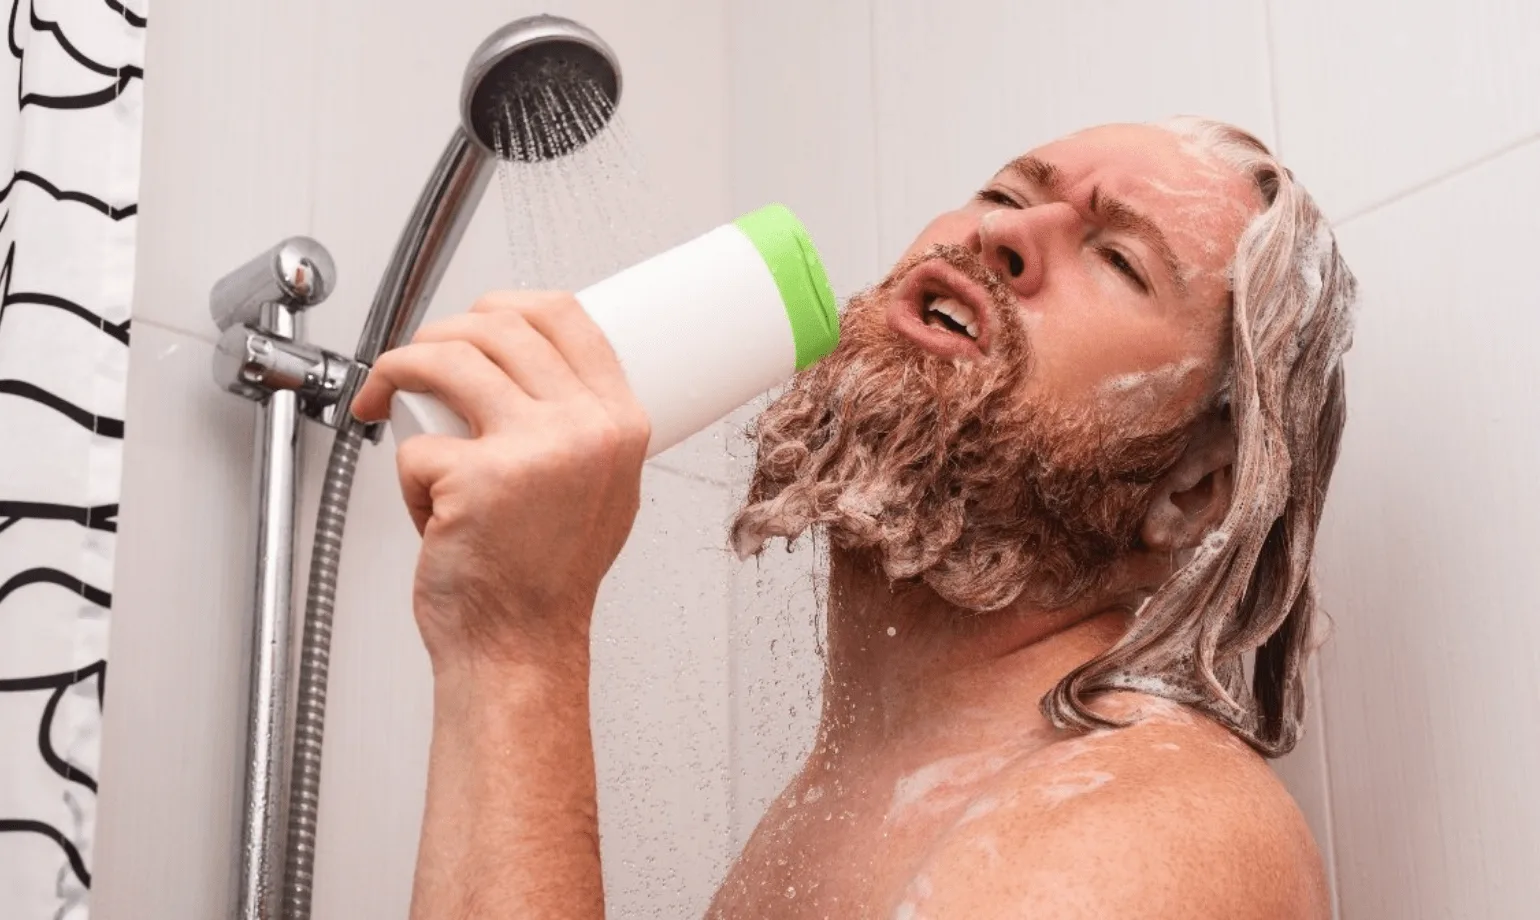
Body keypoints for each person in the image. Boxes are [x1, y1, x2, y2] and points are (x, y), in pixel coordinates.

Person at [350, 116, 1357, 919]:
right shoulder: (850, 804)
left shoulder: (1154, 829)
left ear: (1187, 490)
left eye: (1119, 259)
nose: (1001, 233)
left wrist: (516, 643)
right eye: (1006, 192)